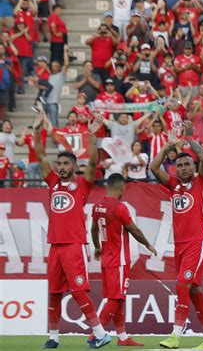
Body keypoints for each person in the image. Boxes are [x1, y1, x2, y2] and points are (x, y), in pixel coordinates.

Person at [32, 105, 111, 349]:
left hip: (74, 245)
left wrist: (94, 135)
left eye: (66, 163)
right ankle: (54, 337)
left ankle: (100, 333)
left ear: (74, 166)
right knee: (54, 294)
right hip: (55, 246)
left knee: (78, 291)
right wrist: (37, 131)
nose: (61, 167)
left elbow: (94, 161)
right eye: (60, 164)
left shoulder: (83, 185)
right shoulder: (53, 183)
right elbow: (41, 156)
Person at [150, 121, 203, 350]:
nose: (183, 168)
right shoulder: (174, 186)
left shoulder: (202, 182)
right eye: (179, 165)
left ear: (194, 167)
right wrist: (168, 144)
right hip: (179, 245)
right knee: (194, 289)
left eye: (187, 164)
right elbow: (153, 167)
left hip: (197, 242)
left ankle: (175, 335)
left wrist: (188, 137)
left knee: (182, 286)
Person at [91, 173, 157, 347]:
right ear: (121, 188)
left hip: (106, 260)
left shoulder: (97, 206)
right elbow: (134, 230)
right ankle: (96, 335)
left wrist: (97, 247)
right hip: (118, 261)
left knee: (118, 299)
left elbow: (93, 230)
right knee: (115, 298)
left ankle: (122, 338)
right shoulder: (120, 207)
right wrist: (148, 245)